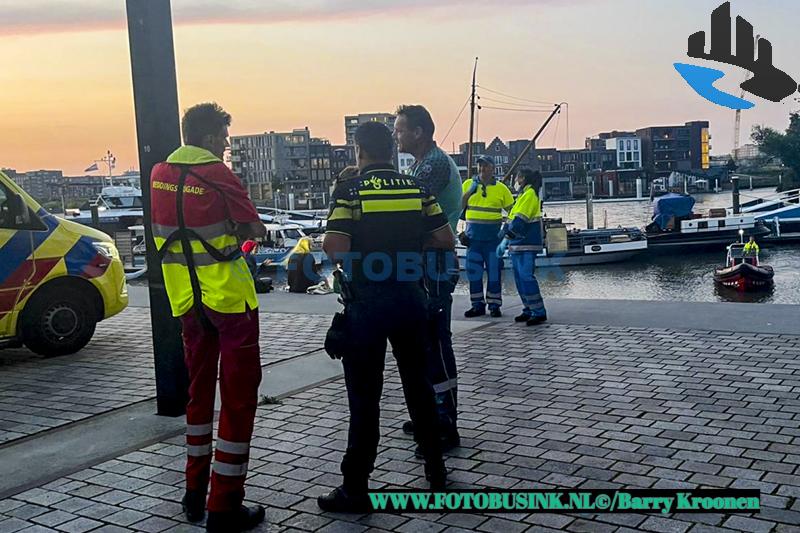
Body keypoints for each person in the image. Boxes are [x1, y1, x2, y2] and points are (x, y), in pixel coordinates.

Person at [318, 121, 454, 512]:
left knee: (365, 399)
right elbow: (444, 239)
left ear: (360, 152)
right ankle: (435, 470)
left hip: (367, 306)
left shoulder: (350, 192)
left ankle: (355, 488)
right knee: (419, 388)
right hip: (412, 300)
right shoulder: (418, 189)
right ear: (391, 152)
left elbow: (335, 248)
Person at [150, 102, 266, 533]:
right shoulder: (218, 174)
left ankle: (194, 492)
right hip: (230, 302)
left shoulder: (159, 174)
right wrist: (239, 232)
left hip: (187, 303)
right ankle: (225, 506)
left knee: (198, 396)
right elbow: (254, 230)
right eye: (224, 138)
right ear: (208, 137)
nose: (226, 145)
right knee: (238, 400)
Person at [393, 104, 462, 452]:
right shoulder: (427, 162)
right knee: (428, 341)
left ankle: (444, 422)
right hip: (429, 262)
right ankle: (431, 412)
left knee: (435, 340)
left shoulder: (432, 166)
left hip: (435, 263)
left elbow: (405, 211)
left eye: (400, 129)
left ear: (418, 132)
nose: (396, 135)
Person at [461, 155, 514, 318]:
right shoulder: (468, 184)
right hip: (473, 239)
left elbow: (513, 211)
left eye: (485, 166)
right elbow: (459, 206)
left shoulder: (501, 189)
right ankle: (477, 305)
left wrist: (506, 230)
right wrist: (471, 190)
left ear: (492, 168)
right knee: (474, 273)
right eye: (480, 166)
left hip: (493, 240)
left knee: (494, 273)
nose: (482, 169)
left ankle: (494, 305)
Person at [498, 168, 547, 325]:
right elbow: (511, 219)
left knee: (526, 277)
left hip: (526, 244)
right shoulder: (523, 196)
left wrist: (506, 237)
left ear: (523, 178)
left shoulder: (529, 195)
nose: (515, 181)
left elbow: (520, 220)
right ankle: (528, 308)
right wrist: (502, 236)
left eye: (517, 177)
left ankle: (538, 312)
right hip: (518, 244)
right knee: (520, 279)